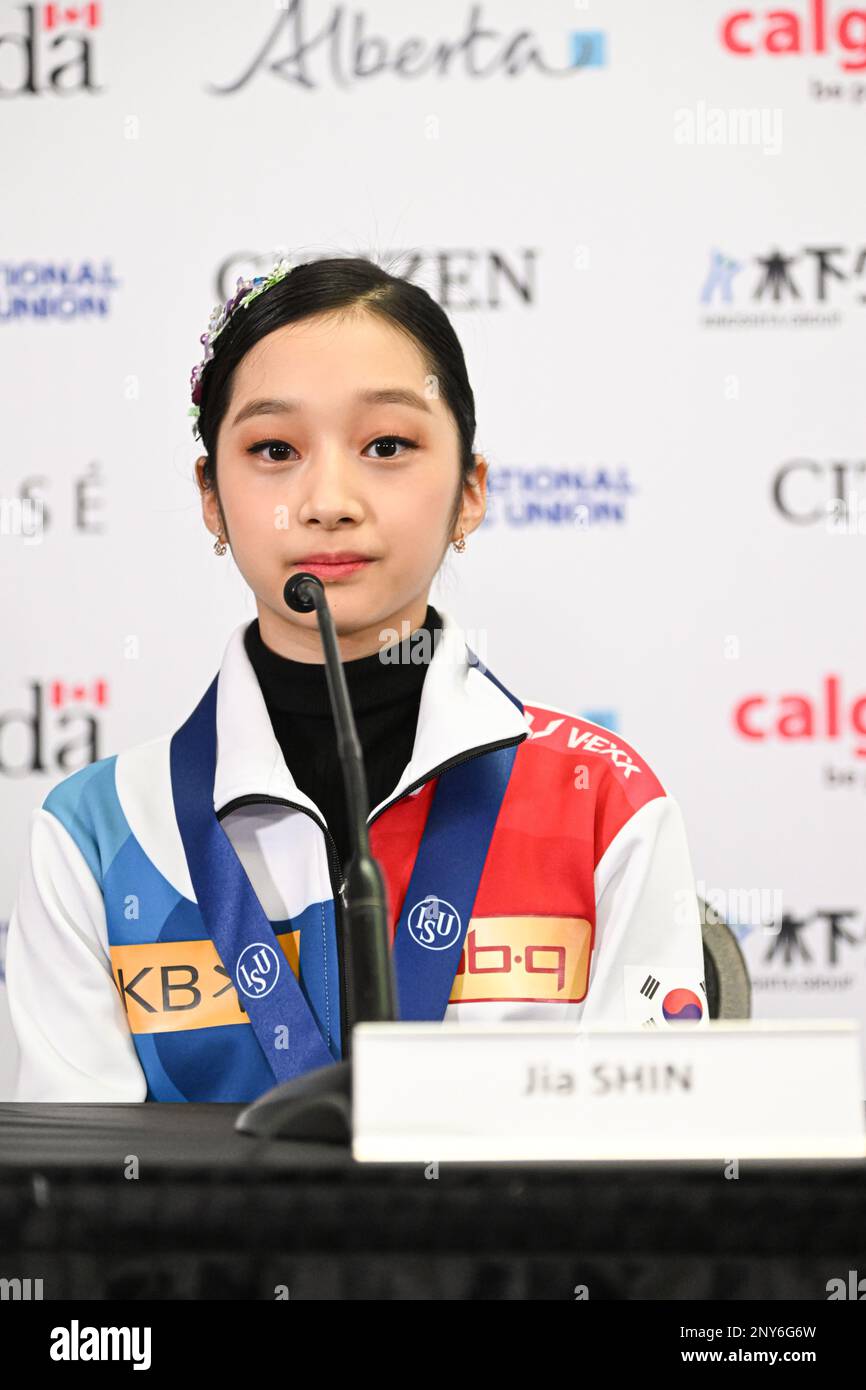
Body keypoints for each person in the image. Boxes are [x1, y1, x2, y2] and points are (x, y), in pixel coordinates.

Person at [5, 255, 708, 1103]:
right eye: (274, 449)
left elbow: (645, 1166)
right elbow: (75, 1198)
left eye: (387, 445)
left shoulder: (605, 799)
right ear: (211, 499)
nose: (328, 499)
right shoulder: (92, 834)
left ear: (470, 493)